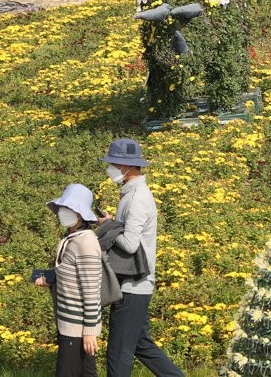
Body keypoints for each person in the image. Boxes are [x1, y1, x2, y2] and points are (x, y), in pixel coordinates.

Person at [98, 138, 184, 377]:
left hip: (132, 284)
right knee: (141, 344)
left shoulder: (136, 198)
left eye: (114, 163)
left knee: (118, 352)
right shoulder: (131, 194)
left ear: (128, 166)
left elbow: (129, 243)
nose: (111, 168)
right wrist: (113, 223)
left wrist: (110, 227)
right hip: (136, 283)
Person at [35, 183, 103, 377]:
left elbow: (91, 290)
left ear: (80, 214)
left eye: (68, 209)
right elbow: (71, 277)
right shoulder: (72, 238)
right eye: (62, 208)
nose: (62, 212)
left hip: (77, 327)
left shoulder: (86, 243)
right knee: (86, 373)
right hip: (68, 323)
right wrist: (51, 281)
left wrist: (90, 331)